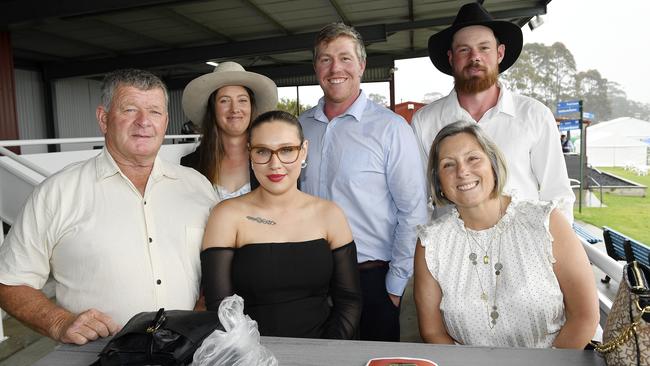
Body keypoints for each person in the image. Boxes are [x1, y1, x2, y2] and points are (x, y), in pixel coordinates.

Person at [0, 69, 217, 345]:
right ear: (104, 119)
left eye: (154, 112)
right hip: (99, 354)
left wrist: (202, 303)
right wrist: (59, 322)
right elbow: (9, 280)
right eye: (129, 110)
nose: (144, 122)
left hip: (189, 349)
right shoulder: (57, 193)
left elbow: (215, 264)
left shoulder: (197, 187)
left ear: (166, 122)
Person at [413, 120, 599, 348]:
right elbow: (432, 331)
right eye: (448, 165)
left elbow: (584, 317)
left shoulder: (546, 222)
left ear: (493, 164)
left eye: (473, 158)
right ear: (438, 181)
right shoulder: (431, 244)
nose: (462, 171)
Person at [299, 22, 428, 341]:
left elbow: (413, 212)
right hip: (311, 278)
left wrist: (395, 286)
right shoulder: (298, 129)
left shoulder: (391, 129)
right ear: (316, 67)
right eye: (325, 59)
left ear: (362, 65)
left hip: (373, 279)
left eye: (345, 58)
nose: (335, 68)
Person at [200, 110, 362, 339]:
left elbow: (349, 301)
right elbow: (220, 308)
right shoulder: (226, 215)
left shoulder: (330, 215)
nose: (275, 164)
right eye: (262, 151)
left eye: (287, 150)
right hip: (250, 356)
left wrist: (328, 354)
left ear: (304, 150)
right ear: (250, 153)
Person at [411, 2, 575, 222]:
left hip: (523, 248)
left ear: (500, 53)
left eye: (484, 47)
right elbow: (419, 198)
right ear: (451, 58)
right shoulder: (425, 121)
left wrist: (558, 251)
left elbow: (557, 196)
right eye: (464, 49)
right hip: (454, 252)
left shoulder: (534, 115)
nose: (475, 57)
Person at [181, 61, 278, 200]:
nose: (234, 109)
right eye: (224, 101)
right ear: (213, 109)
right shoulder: (191, 165)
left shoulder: (272, 160)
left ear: (251, 107)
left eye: (242, 100)